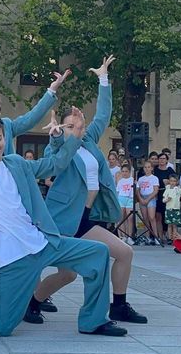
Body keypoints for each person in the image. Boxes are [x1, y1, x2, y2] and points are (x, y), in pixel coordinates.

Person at [0, 114, 124, 337]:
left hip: (43, 243)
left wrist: (75, 137)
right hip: (12, 258)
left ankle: (93, 321)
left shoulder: (17, 163)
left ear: (5, 138)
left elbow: (54, 164)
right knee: (2, 326)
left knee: (98, 253)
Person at [25, 56, 145, 325]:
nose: (75, 129)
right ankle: (31, 302)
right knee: (67, 274)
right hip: (63, 218)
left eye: (78, 125)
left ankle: (119, 305)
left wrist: (103, 79)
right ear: (61, 127)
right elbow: (55, 158)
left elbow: (103, 114)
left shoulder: (88, 140)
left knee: (124, 253)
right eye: (70, 126)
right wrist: (58, 135)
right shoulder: (58, 147)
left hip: (89, 216)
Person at [137, 160, 161, 246]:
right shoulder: (140, 179)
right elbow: (138, 190)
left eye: (148, 167)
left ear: (152, 168)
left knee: (152, 217)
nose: (147, 169)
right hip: (142, 198)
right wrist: (140, 199)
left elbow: (156, 190)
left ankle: (156, 237)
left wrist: (148, 199)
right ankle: (147, 237)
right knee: (145, 218)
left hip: (151, 197)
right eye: (145, 167)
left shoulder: (154, 178)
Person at [115, 163, 135, 244]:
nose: (124, 173)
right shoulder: (120, 181)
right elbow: (118, 191)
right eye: (123, 171)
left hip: (130, 199)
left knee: (130, 218)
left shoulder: (132, 180)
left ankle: (129, 236)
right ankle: (123, 236)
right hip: (121, 198)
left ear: (129, 172)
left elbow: (136, 190)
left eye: (126, 171)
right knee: (121, 218)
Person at [162, 174, 181, 241]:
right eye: (171, 181)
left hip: (176, 209)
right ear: (169, 181)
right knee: (169, 225)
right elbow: (163, 200)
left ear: (177, 182)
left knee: (175, 225)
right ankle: (169, 238)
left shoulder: (178, 189)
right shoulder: (167, 189)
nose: (172, 182)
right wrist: (167, 200)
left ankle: (174, 238)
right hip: (169, 209)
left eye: (174, 181)